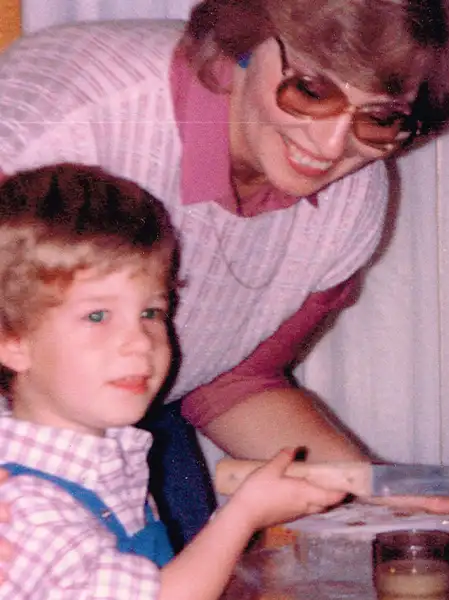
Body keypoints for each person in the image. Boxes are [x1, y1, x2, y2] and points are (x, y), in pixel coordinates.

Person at [0, 0, 449, 552]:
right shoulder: (65, 115)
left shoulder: (353, 200)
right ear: (244, 39)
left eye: (379, 118)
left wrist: (374, 483)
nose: (329, 145)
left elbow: (235, 379)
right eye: (311, 91)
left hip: (125, 430)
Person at [0, 163, 348, 598]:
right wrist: (243, 515)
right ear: (13, 342)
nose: (139, 343)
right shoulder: (28, 510)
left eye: (151, 313)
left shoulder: (107, 460)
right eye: (97, 315)